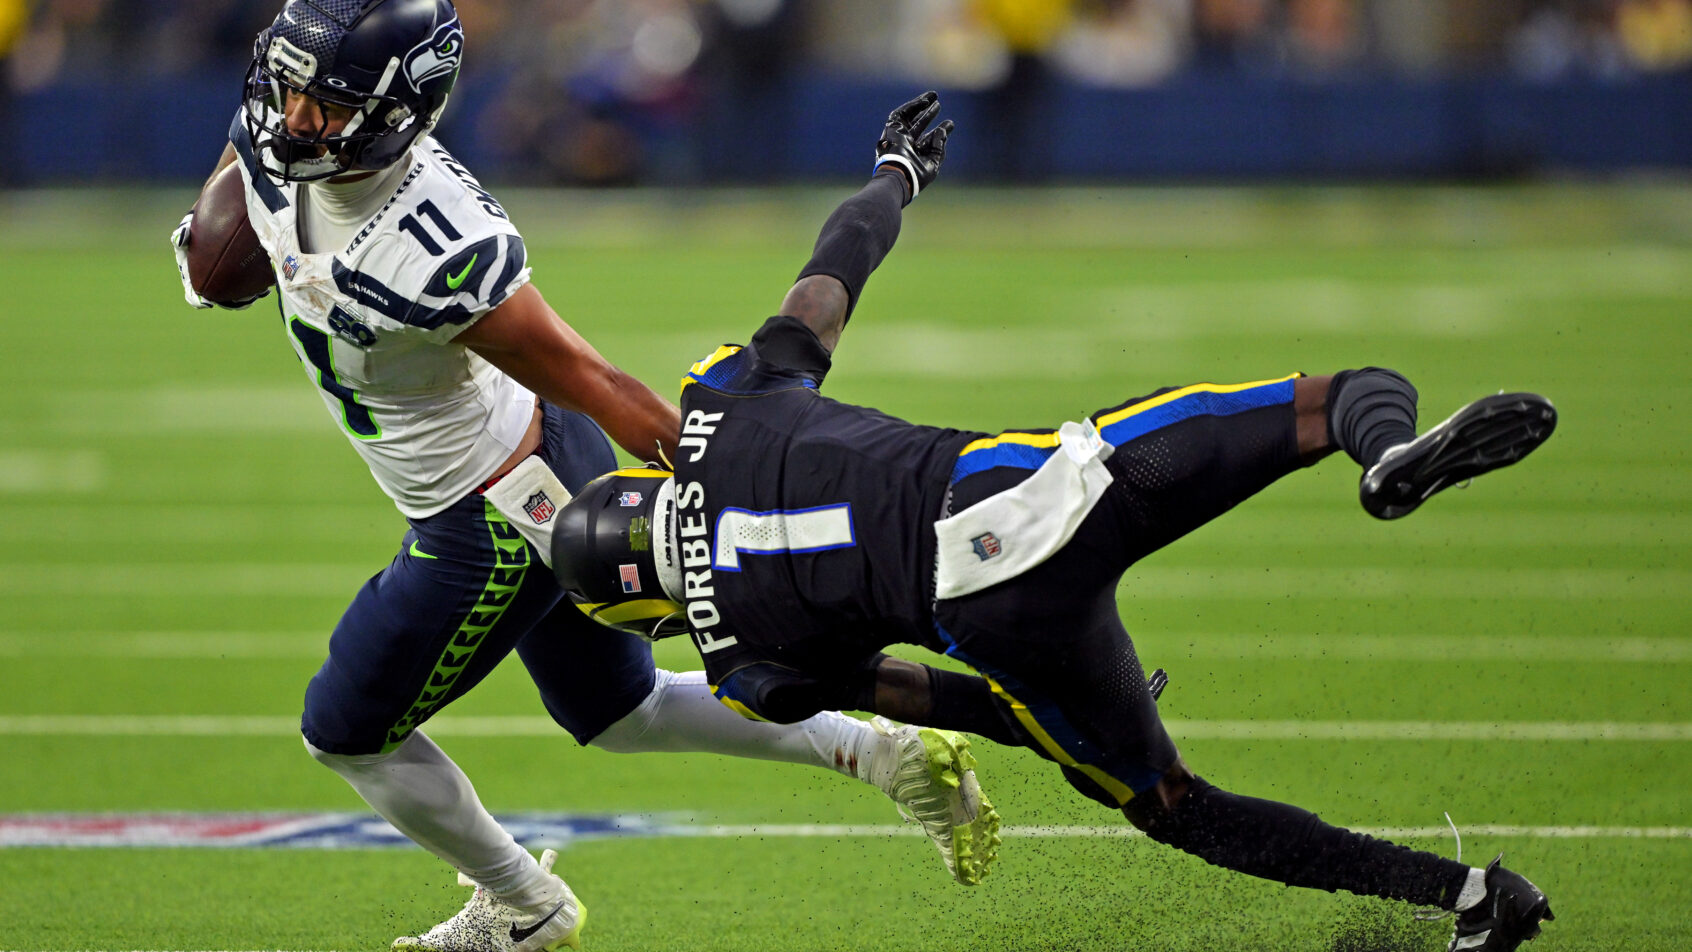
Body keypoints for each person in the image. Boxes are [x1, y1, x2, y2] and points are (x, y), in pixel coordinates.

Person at [551, 92, 1560, 952]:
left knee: (1176, 808)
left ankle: (1471, 898)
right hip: (1040, 486)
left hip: (1005, 624)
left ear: (650, 611)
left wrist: (1057, 708)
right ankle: (1382, 455)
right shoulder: (724, 406)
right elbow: (829, 282)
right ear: (640, 487)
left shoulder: (745, 675)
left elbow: (923, 697)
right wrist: (897, 172)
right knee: (1340, 394)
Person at [167, 5, 1000, 951]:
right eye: (289, 87)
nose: (294, 117)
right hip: (512, 459)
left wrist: (734, 484)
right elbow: (241, 184)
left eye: (326, 102)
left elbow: (604, 388)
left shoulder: (434, 251)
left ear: (398, 111)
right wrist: (215, 247)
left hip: (495, 506)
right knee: (621, 710)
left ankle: (525, 906)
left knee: (347, 730)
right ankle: (884, 755)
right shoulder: (280, 129)